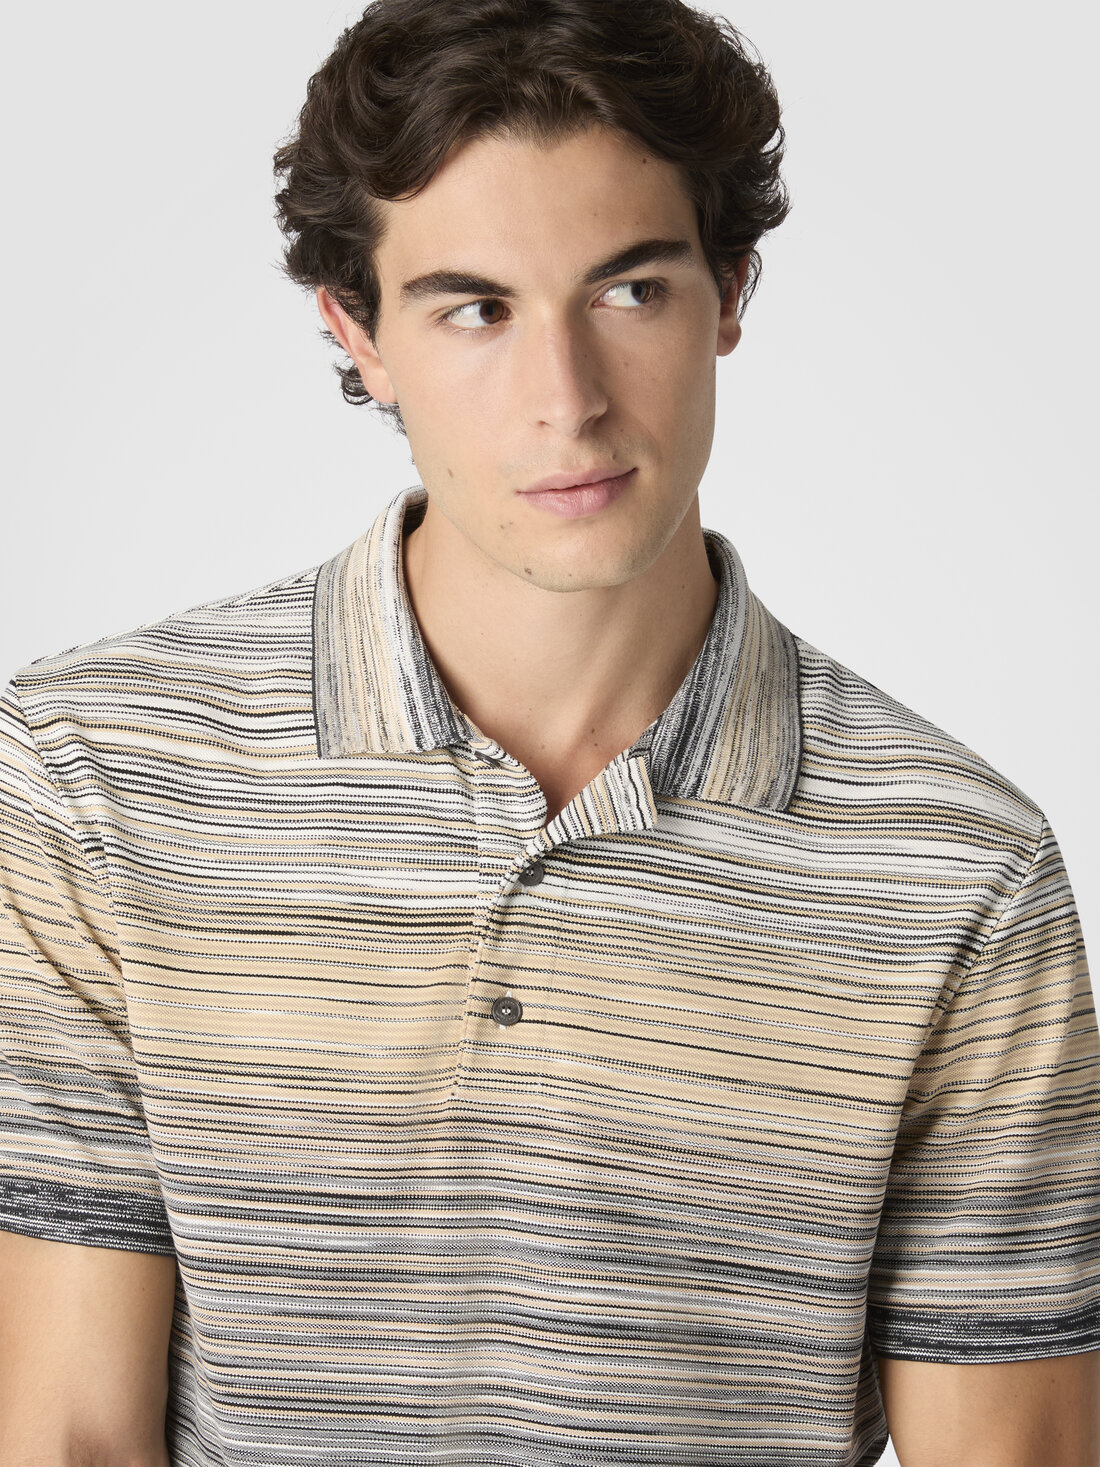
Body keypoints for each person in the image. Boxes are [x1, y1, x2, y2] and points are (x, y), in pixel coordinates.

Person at [0, 0, 1096, 1462]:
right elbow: (71, 1435)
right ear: (356, 333)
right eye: (475, 309)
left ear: (730, 290)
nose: (566, 402)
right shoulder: (91, 781)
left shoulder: (958, 868)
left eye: (630, 291)